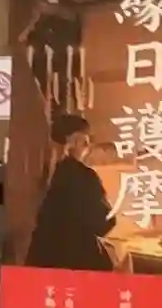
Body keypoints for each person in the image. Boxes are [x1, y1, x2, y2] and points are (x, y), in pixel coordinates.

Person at [25, 112, 116, 272]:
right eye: (85, 142)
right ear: (74, 141)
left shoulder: (39, 170)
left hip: (41, 259)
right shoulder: (84, 176)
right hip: (78, 261)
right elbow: (103, 222)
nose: (87, 148)